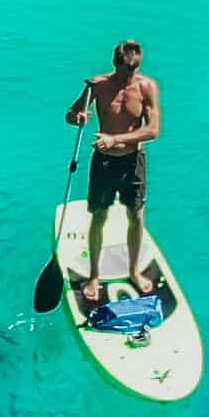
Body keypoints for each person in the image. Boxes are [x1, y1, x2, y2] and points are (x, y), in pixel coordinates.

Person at [66, 38, 162, 296]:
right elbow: (70, 115)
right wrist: (78, 117)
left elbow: (153, 130)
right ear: (115, 65)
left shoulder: (147, 87)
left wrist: (115, 139)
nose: (128, 77)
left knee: (136, 216)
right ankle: (94, 276)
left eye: (132, 72)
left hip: (133, 162)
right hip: (104, 162)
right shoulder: (97, 86)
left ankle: (134, 271)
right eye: (123, 72)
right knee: (99, 216)